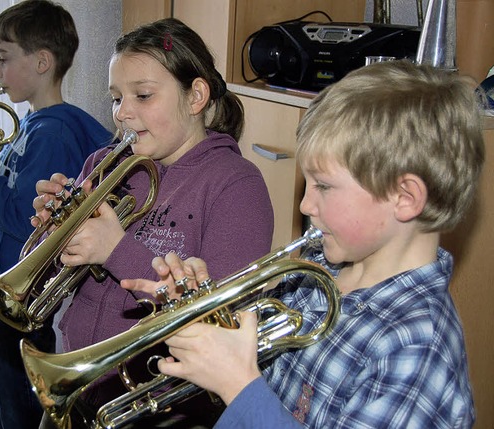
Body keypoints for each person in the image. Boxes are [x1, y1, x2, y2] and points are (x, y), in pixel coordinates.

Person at [122, 59, 485, 428]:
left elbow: (249, 389)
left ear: (405, 198)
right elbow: (265, 361)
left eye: (324, 186)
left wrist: (238, 385)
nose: (305, 204)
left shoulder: (416, 349)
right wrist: (208, 312)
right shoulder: (321, 266)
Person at [32, 17, 274, 428]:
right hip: (76, 382)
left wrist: (116, 250)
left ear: (196, 95)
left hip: (161, 404)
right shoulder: (104, 165)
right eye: (115, 98)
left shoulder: (236, 185)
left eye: (142, 95)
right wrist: (53, 240)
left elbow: (220, 317)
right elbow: (50, 283)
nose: (123, 113)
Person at [0, 1, 112, 428]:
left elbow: (20, 220)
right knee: (1, 389)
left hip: (24, 295)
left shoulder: (54, 133)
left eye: (3, 58)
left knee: (18, 402)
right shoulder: (28, 125)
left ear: (42, 62)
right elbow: (1, 199)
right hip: (1, 284)